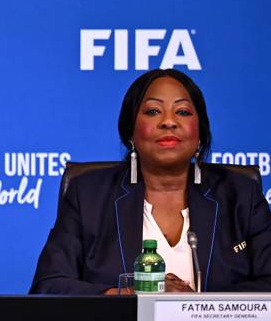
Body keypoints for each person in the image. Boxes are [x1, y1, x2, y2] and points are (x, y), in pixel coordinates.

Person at [30, 69, 271, 294]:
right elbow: (49, 285)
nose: (168, 121)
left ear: (200, 133)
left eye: (183, 111)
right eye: (153, 111)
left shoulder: (241, 195)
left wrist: (199, 307)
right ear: (130, 132)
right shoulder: (88, 195)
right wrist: (129, 296)